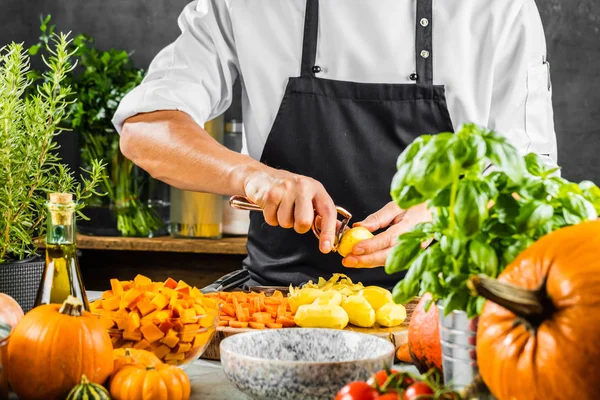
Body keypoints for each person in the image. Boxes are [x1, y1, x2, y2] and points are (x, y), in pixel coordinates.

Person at [113, 0, 557, 289]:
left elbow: (536, 183)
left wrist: (449, 212)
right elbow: (145, 128)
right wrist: (255, 178)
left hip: (444, 311)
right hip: (277, 305)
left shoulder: (499, 9)